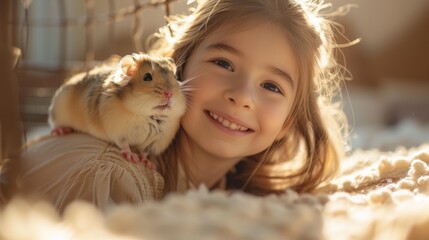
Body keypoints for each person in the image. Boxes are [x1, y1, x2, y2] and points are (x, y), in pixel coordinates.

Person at [17, 0, 349, 211]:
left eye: (271, 86)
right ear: (178, 68)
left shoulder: (233, 197)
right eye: (223, 63)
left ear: (289, 122)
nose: (242, 96)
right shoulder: (109, 177)